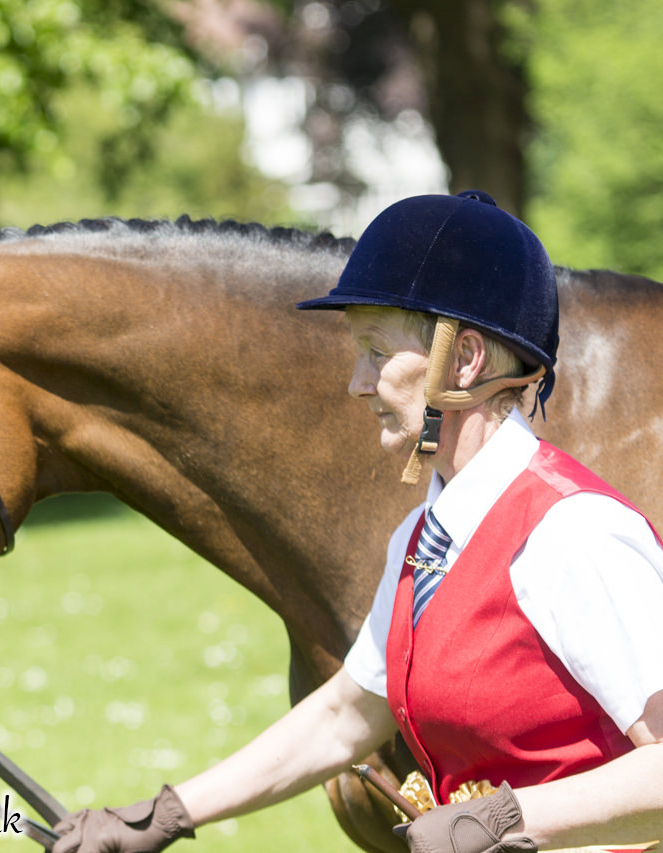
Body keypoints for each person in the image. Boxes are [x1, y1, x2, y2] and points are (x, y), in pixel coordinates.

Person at [52, 192, 663, 853]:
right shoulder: (422, 538)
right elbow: (347, 714)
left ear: (463, 361)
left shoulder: (573, 532)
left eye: (376, 352)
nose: (357, 382)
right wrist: (163, 814)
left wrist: (503, 817)